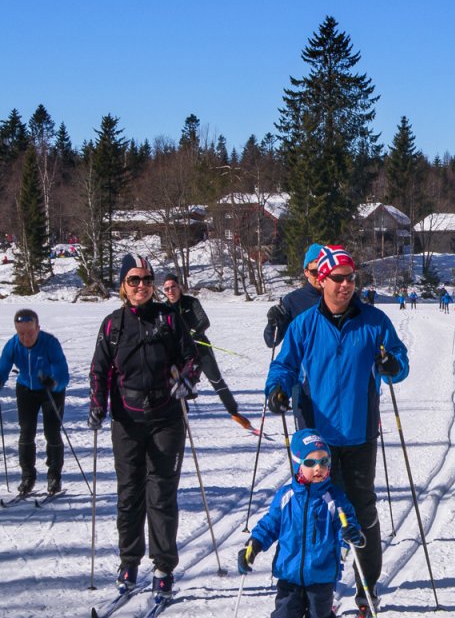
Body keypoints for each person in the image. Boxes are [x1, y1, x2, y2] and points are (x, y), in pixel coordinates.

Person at [266, 245, 409, 618]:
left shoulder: (375, 321)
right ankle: (324, 587)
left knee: (361, 508)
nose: (346, 285)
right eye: (338, 278)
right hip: (319, 437)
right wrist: (276, 390)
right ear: (322, 280)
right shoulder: (305, 325)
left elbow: (400, 362)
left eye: (350, 278)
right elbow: (283, 365)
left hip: (360, 432)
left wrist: (391, 363)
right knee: (321, 512)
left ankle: (367, 586)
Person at [88, 255, 201, 598]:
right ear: (123, 285)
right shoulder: (113, 325)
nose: (141, 286)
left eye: (147, 280)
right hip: (127, 420)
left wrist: (186, 380)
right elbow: (99, 370)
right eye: (134, 280)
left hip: (166, 417)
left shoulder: (168, 318)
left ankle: (164, 566)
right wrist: (97, 405)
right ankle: (129, 561)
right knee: (129, 494)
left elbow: (191, 357)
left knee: (162, 494)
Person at [237, 429, 364, 618]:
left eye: (324, 462)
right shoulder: (285, 497)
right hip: (289, 575)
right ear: (298, 464)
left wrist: (352, 533)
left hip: (321, 575)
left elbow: (349, 524)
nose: (318, 469)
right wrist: (253, 546)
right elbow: (269, 526)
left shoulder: (334, 499)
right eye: (311, 463)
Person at [0, 307, 70, 496]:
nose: (25, 337)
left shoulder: (50, 343)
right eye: (21, 333)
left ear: (38, 328)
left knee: (52, 432)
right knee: (26, 432)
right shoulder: (12, 345)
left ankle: (54, 476)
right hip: (26, 389)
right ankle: (28, 476)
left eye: (30, 332)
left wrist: (54, 382)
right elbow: (3, 366)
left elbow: (62, 373)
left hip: (51, 390)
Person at [162, 272, 252, 431]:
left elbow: (204, 321)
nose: (170, 291)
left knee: (217, 381)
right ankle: (177, 420)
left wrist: (192, 333)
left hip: (200, 348)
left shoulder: (191, 302)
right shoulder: (164, 309)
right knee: (178, 385)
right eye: (167, 288)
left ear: (179, 287)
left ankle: (234, 412)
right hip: (180, 354)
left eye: (173, 287)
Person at [262, 244, 324, 348]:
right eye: (314, 272)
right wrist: (273, 322)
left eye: (323, 271)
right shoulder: (293, 300)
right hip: (302, 362)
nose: (319, 276)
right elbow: (271, 341)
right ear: (306, 272)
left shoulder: (338, 298)